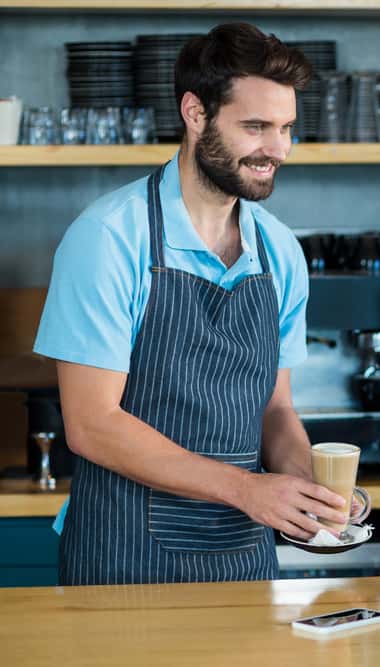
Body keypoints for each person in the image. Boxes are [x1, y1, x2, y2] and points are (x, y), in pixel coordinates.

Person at [33, 23, 351, 585]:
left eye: (285, 129)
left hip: (244, 558)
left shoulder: (278, 250)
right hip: (122, 556)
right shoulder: (108, 237)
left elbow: (275, 411)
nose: (275, 150)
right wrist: (247, 489)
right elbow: (91, 424)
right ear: (195, 113)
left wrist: (313, 492)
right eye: (254, 127)